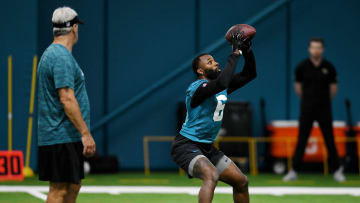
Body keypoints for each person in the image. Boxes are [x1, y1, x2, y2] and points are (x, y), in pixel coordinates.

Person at [171, 32, 256, 203]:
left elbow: (250, 74)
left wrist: (247, 51)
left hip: (207, 147)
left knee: (241, 182)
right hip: (186, 145)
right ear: (200, 71)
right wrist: (235, 53)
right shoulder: (197, 87)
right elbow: (222, 83)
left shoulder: (219, 86)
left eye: (214, 59)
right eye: (209, 62)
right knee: (211, 175)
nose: (216, 62)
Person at [37, 7, 96, 202]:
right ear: (74, 28)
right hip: (60, 135)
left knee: (73, 186)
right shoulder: (60, 56)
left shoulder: (56, 54)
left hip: (64, 135)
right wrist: (85, 134)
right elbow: (67, 98)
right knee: (59, 190)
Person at [283, 38, 345, 182]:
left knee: (330, 139)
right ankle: (294, 171)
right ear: (309, 49)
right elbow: (298, 87)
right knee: (302, 139)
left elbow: (333, 89)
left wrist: (323, 101)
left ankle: (337, 170)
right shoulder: (302, 67)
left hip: (324, 108)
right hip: (307, 108)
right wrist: (308, 100)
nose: (316, 50)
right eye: (313, 47)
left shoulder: (329, 67)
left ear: (322, 49)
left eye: (318, 47)